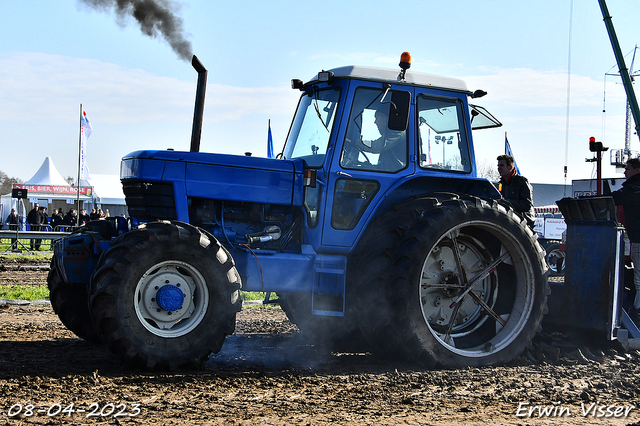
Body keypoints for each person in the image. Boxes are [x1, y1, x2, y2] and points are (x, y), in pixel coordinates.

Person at [612, 158, 640, 321]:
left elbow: (613, 198)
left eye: (627, 169)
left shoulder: (633, 190)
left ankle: (637, 316)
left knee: (639, 280)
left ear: (637, 170)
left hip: (638, 240)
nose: (624, 172)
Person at [497, 154, 535, 229]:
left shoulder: (522, 182)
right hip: (510, 220)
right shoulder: (501, 184)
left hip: (524, 223)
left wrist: (504, 202)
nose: (499, 168)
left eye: (501, 165)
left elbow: (526, 205)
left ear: (510, 167)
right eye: (498, 166)